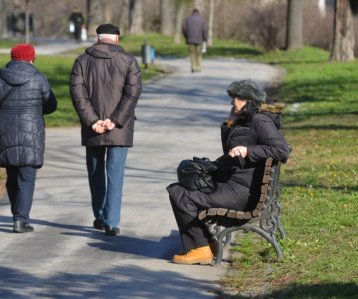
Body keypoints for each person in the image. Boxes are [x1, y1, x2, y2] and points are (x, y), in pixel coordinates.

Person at [166, 79, 290, 265]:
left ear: (249, 100)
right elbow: (229, 152)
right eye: (233, 98)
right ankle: (206, 244)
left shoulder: (259, 120)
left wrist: (247, 151)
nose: (233, 102)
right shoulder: (249, 119)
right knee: (183, 186)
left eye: (238, 98)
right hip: (236, 186)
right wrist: (229, 124)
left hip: (241, 194)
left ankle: (200, 249)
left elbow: (282, 150)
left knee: (180, 193)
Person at [69, 23, 142, 236]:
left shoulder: (82, 61)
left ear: (98, 38)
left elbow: (77, 93)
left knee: (95, 172)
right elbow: (132, 94)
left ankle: (100, 216)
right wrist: (115, 121)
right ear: (117, 39)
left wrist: (92, 120)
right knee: (115, 174)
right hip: (120, 128)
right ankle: (112, 222)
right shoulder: (129, 61)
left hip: (92, 127)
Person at [0, 43, 57, 233]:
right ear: (32, 58)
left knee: (12, 174)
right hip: (31, 131)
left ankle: (17, 213)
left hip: (5, 131)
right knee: (27, 175)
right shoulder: (38, 78)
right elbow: (51, 105)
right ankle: (20, 219)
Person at [182, 8, 208, 73]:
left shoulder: (187, 19)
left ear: (192, 12)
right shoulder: (202, 20)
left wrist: (186, 37)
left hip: (190, 40)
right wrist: (205, 38)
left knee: (192, 54)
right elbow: (204, 30)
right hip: (200, 40)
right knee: (198, 54)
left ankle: (193, 67)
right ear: (198, 13)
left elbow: (184, 29)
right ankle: (198, 67)